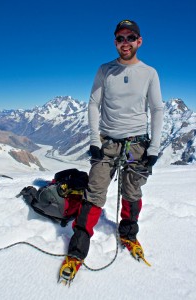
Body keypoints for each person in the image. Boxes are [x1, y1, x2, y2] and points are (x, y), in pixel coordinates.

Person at [59, 19, 164, 284]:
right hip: (108, 142)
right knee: (95, 192)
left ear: (139, 41)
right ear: (115, 41)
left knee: (131, 193)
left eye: (130, 37)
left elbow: (157, 110)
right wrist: (95, 140)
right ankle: (77, 251)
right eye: (120, 38)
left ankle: (128, 235)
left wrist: (154, 148)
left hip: (136, 143)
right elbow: (94, 104)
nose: (125, 42)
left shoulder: (149, 73)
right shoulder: (105, 70)